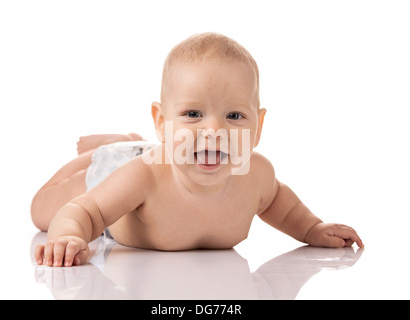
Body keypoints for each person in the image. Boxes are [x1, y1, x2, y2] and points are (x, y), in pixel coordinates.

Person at [32, 33, 363, 267]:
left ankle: (129, 139)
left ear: (258, 127)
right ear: (162, 122)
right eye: (193, 114)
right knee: (40, 209)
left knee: (158, 152)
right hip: (112, 171)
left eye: (234, 116)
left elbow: (283, 206)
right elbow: (85, 212)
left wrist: (311, 229)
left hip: (164, 152)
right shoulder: (142, 177)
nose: (214, 131)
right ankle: (109, 147)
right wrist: (70, 237)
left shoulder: (258, 176)